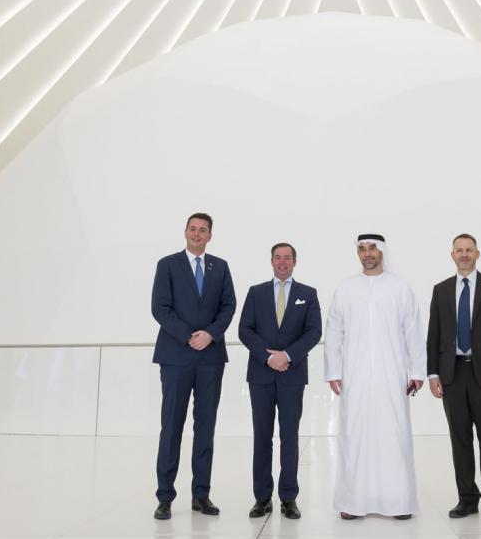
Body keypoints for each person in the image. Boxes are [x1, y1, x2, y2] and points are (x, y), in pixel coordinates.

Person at [324, 234, 426, 520]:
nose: (368, 253)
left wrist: (417, 371)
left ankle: (399, 502)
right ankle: (352, 501)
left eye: (372, 248)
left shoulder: (400, 288)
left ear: (382, 252)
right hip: (354, 377)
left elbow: (414, 332)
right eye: (362, 249)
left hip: (393, 376)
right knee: (353, 436)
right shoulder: (345, 289)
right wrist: (333, 370)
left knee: (395, 436)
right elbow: (334, 332)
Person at [151, 213, 236, 520]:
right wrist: (188, 336)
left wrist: (210, 334)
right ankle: (165, 497)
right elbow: (160, 308)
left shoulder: (220, 267)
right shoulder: (168, 265)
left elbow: (229, 306)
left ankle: (201, 494)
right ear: (185, 232)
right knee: (171, 426)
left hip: (210, 358)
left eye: (203, 230)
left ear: (210, 235)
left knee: (205, 427)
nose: (197, 234)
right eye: (193, 229)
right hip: (176, 356)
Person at [426, 233, 481, 521]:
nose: (464, 254)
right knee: (459, 439)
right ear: (452, 255)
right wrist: (433, 373)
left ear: (478, 254)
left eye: (469, 250)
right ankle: (466, 498)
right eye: (459, 250)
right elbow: (434, 335)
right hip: (452, 375)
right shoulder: (440, 290)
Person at [238, 243, 322, 520]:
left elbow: (313, 332)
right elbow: (245, 330)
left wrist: (287, 355)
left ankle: (289, 498)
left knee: (289, 436)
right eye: (278, 258)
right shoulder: (256, 292)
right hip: (261, 375)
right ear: (271, 261)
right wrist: (268, 357)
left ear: (295, 262)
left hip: (292, 375)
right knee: (262, 436)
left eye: (287, 258)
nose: (282, 262)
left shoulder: (307, 294)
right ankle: (262, 498)